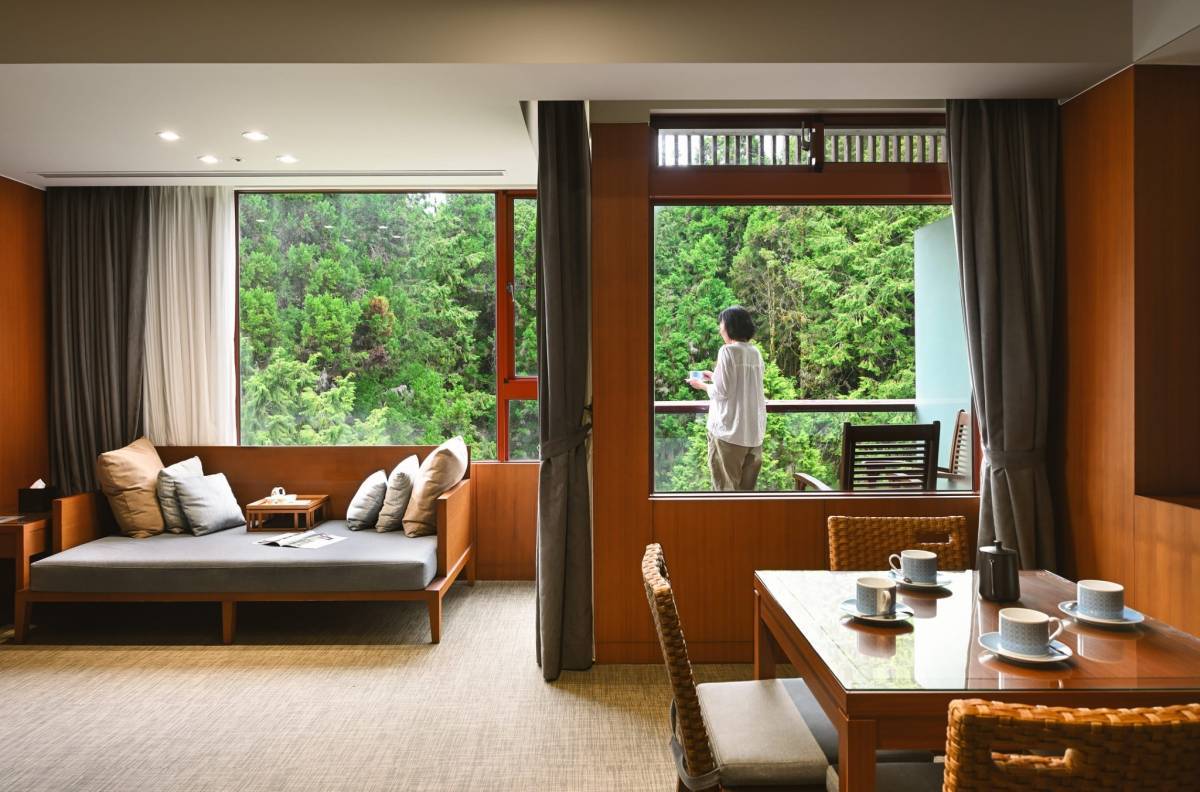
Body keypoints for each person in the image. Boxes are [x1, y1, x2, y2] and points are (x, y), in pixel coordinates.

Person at [687, 306, 767, 491]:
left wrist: (702, 385)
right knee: (746, 494)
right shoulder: (754, 352)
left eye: (721, 324)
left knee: (726, 494)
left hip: (729, 434)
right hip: (753, 434)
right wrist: (714, 375)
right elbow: (744, 384)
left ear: (730, 326)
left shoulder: (727, 351)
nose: (720, 329)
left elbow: (721, 392)